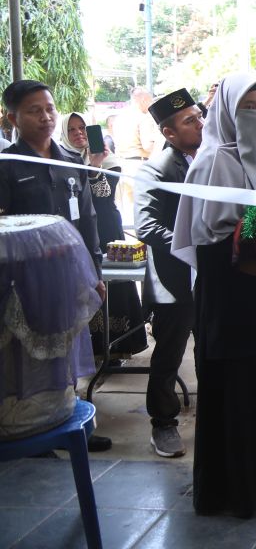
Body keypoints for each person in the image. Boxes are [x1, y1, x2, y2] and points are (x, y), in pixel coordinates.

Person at [171, 73, 256, 517]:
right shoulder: (213, 160)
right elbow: (206, 237)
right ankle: (238, 486)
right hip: (230, 297)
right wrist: (251, 245)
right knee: (237, 386)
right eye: (246, 107)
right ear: (228, 112)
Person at [0, 79, 110, 452]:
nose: (46, 117)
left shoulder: (69, 161)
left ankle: (71, 422)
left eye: (49, 108)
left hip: (67, 275)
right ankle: (35, 428)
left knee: (68, 345)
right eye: (34, 110)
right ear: (12, 117)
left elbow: (88, 221)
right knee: (28, 352)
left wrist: (93, 271)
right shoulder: (8, 165)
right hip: (23, 282)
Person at [135, 88, 205, 458]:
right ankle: (163, 424)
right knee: (169, 355)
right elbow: (146, 225)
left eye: (198, 116)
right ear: (169, 133)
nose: (200, 123)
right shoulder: (156, 169)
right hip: (175, 280)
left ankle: (214, 418)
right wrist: (189, 248)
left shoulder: (208, 162)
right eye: (190, 121)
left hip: (207, 278)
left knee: (210, 347)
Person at [60, 112, 124, 247]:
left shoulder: (108, 160)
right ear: (64, 133)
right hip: (76, 228)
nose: (78, 132)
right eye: (71, 129)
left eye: (82, 127)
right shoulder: (60, 161)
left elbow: (104, 197)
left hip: (105, 226)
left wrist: (95, 166)